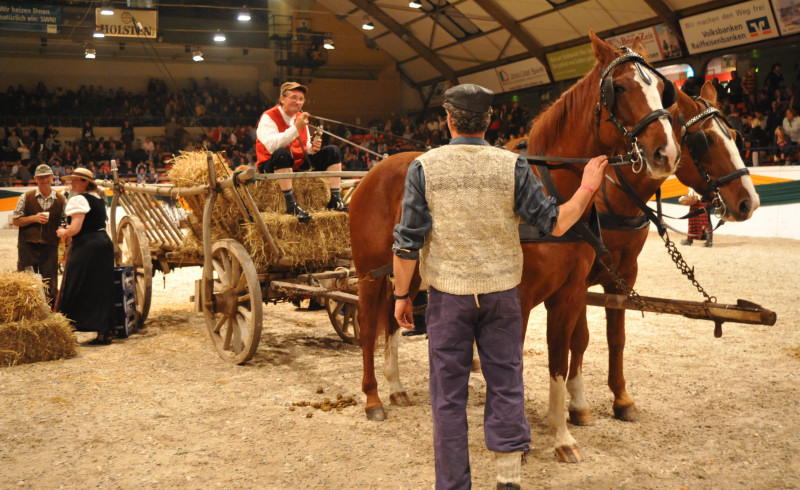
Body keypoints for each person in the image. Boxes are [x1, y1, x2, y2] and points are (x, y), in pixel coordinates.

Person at [391, 83, 608, 490]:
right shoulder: (512, 166)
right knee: (506, 384)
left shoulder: (425, 167)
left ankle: (454, 484)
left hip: (449, 298)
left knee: (448, 396)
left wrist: (403, 295)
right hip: (502, 294)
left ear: (449, 120)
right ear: (489, 121)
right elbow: (558, 222)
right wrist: (587, 186)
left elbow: (407, 244)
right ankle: (509, 479)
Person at [255, 81, 348, 222]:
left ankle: (335, 199)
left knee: (333, 151)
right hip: (271, 166)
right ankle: (291, 204)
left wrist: (312, 148)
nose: (298, 102)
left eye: (301, 99)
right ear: (282, 99)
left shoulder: (300, 117)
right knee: (281, 153)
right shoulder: (268, 117)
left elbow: (303, 148)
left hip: (296, 163)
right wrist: (295, 128)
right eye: (294, 97)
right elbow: (273, 147)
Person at [56, 168, 116, 344]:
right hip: (103, 243)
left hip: (87, 245)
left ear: (85, 182)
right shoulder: (98, 199)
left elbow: (75, 228)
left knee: (76, 282)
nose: (72, 183)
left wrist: (63, 231)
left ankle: (71, 326)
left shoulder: (80, 199)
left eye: (75, 180)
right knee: (101, 286)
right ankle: (104, 330)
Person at [12, 164, 66, 308]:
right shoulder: (26, 197)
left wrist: (62, 227)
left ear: (52, 177)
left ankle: (49, 313)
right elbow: (16, 220)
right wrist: (34, 218)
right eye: (41, 177)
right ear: (35, 178)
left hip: (50, 246)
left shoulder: (61, 199)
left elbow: (64, 220)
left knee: (49, 283)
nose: (44, 180)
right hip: (27, 246)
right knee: (26, 283)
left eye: (47, 177)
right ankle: (26, 313)